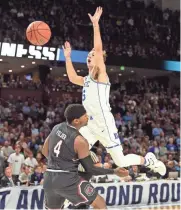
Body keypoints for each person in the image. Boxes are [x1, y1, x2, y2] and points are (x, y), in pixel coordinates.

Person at [62, 7, 166, 176]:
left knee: (121, 161)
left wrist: (95, 25)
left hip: (104, 124)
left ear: (98, 59)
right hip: (90, 124)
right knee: (72, 151)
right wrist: (68, 57)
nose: (90, 56)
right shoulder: (87, 79)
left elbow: (98, 47)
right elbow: (73, 78)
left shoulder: (100, 75)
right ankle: (71, 193)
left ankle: (149, 161)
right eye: (88, 55)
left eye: (93, 55)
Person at [42, 104, 128, 210]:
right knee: (99, 204)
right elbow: (90, 169)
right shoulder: (80, 141)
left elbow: (44, 150)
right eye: (85, 115)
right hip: (67, 179)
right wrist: (114, 172)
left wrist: (59, 163)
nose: (87, 117)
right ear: (76, 121)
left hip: (49, 178)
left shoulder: (56, 128)